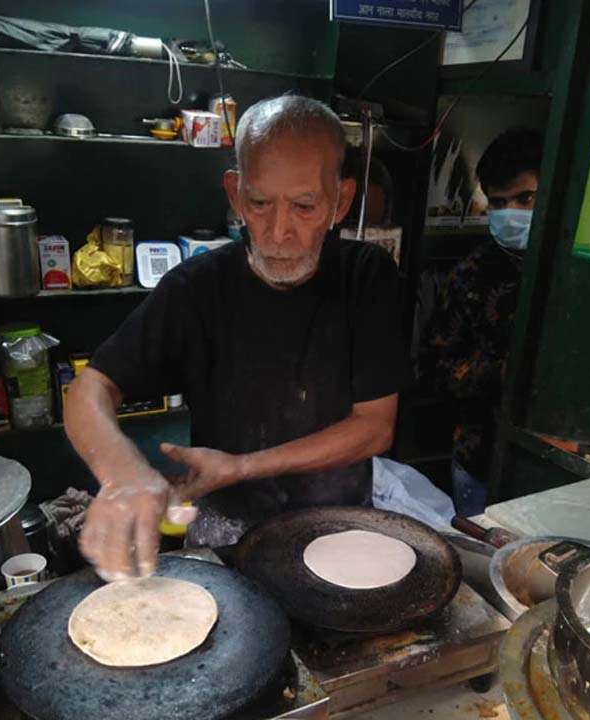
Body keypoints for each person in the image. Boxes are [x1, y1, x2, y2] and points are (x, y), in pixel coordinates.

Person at [64, 94, 406, 581]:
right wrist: (122, 472)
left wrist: (242, 465)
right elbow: (88, 390)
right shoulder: (196, 289)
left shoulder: (366, 277)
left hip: (340, 523)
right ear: (234, 194)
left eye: (305, 206)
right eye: (260, 203)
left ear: (341, 201)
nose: (279, 231)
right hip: (226, 532)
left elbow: (375, 427)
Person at [426, 127, 542, 515]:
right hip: (480, 461)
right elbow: (439, 370)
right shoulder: (470, 276)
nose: (513, 213)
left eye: (526, 198)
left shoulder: (575, 274)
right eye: (499, 203)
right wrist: (506, 370)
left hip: (554, 466)